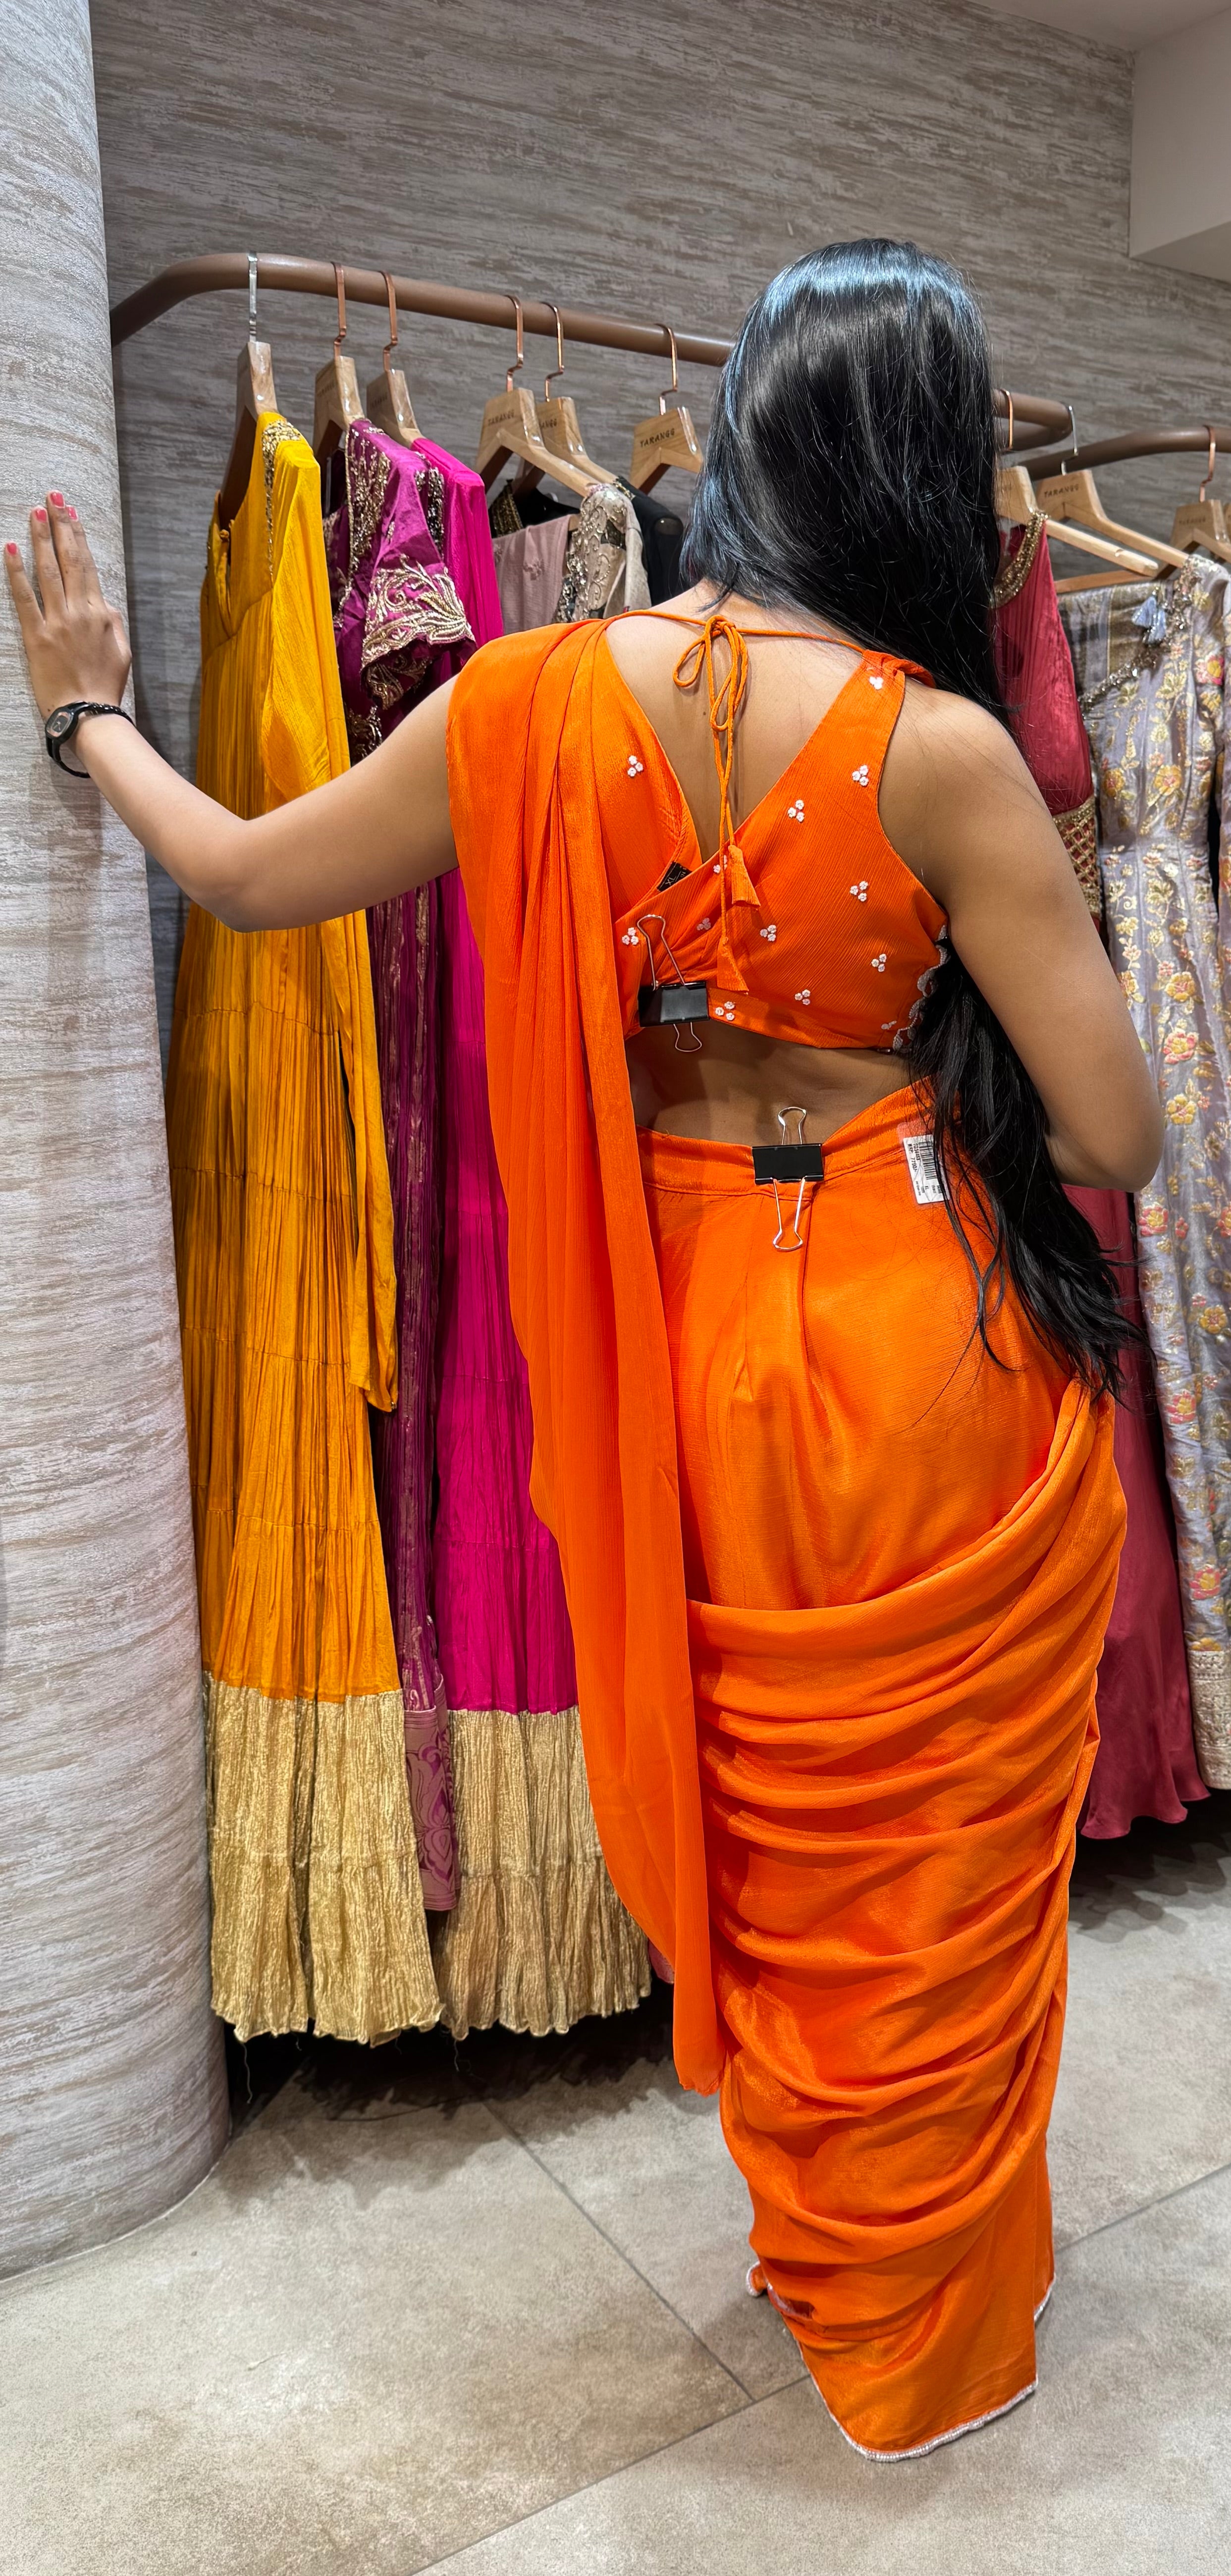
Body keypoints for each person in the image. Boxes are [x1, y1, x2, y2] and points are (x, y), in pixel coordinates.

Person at [7, 239, 1161, 2458]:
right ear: (923, 470)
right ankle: (920, 2340)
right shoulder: (940, 756)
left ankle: (832, 2267)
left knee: (770, 1826)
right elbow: (1112, 1125)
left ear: (740, 438)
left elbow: (247, 877)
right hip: (908, 1323)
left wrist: (87, 721)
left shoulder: (532, 697)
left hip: (679, 1340)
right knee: (921, 1854)